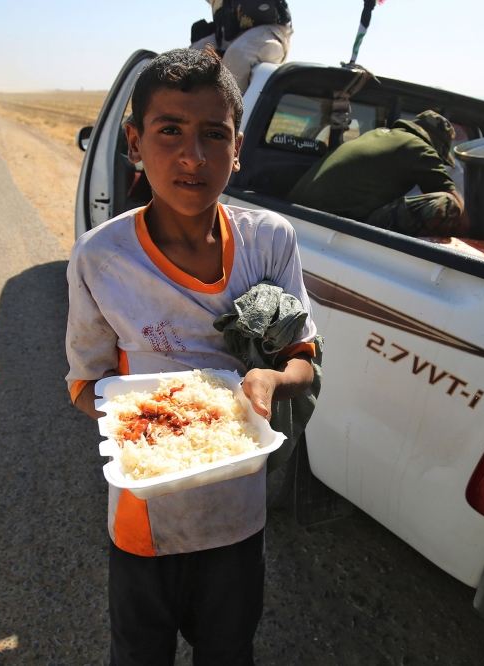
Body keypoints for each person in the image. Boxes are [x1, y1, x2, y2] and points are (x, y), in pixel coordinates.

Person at [65, 47, 317, 665]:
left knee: (229, 652)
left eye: (214, 135)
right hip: (145, 516)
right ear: (133, 141)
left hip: (237, 514)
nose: (192, 156)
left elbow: (303, 355)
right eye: (169, 131)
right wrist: (152, 433)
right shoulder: (101, 258)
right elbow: (84, 382)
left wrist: (272, 378)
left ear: (237, 149)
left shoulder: (269, 240)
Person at [287, 110, 467, 238]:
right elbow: (458, 208)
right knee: (449, 205)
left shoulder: (378, 134)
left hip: (298, 214)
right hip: (337, 224)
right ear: (437, 146)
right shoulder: (420, 148)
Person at [190, 0, 293, 93]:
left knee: (239, 55)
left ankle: (228, 112)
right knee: (192, 58)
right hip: (226, 33)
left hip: (269, 29)